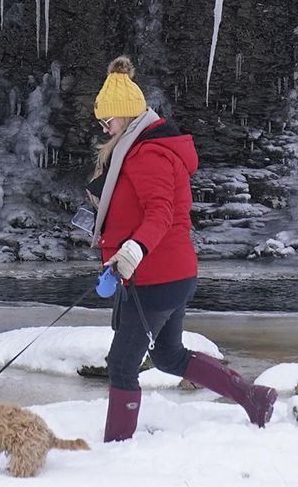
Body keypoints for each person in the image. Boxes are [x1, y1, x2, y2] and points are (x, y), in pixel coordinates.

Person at [86, 56, 276, 442]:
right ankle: (253, 397)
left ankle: (116, 449)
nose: (105, 129)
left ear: (126, 117)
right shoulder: (137, 150)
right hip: (169, 273)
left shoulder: (148, 155)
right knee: (169, 356)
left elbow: (161, 213)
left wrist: (134, 249)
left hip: (156, 275)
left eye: (108, 121)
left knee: (122, 363)